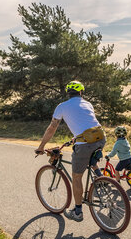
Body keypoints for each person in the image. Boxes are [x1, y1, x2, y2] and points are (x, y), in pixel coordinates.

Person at [35, 80, 106, 222]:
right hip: (100, 138)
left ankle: (78, 211)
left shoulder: (62, 106)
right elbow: (86, 122)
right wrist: (75, 138)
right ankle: (103, 183)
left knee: (77, 177)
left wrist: (41, 146)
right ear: (81, 92)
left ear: (68, 93)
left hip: (84, 142)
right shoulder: (88, 104)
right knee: (91, 159)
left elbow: (52, 128)